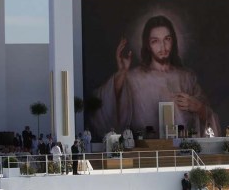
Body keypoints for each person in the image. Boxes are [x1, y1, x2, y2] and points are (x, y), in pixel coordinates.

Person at [92, 15, 220, 139]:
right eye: (155, 41)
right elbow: (101, 110)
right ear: (147, 44)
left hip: (182, 149)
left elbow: (209, 117)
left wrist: (198, 107)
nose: (163, 47)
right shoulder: (133, 78)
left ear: (173, 40)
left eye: (167, 39)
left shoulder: (187, 77)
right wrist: (121, 73)